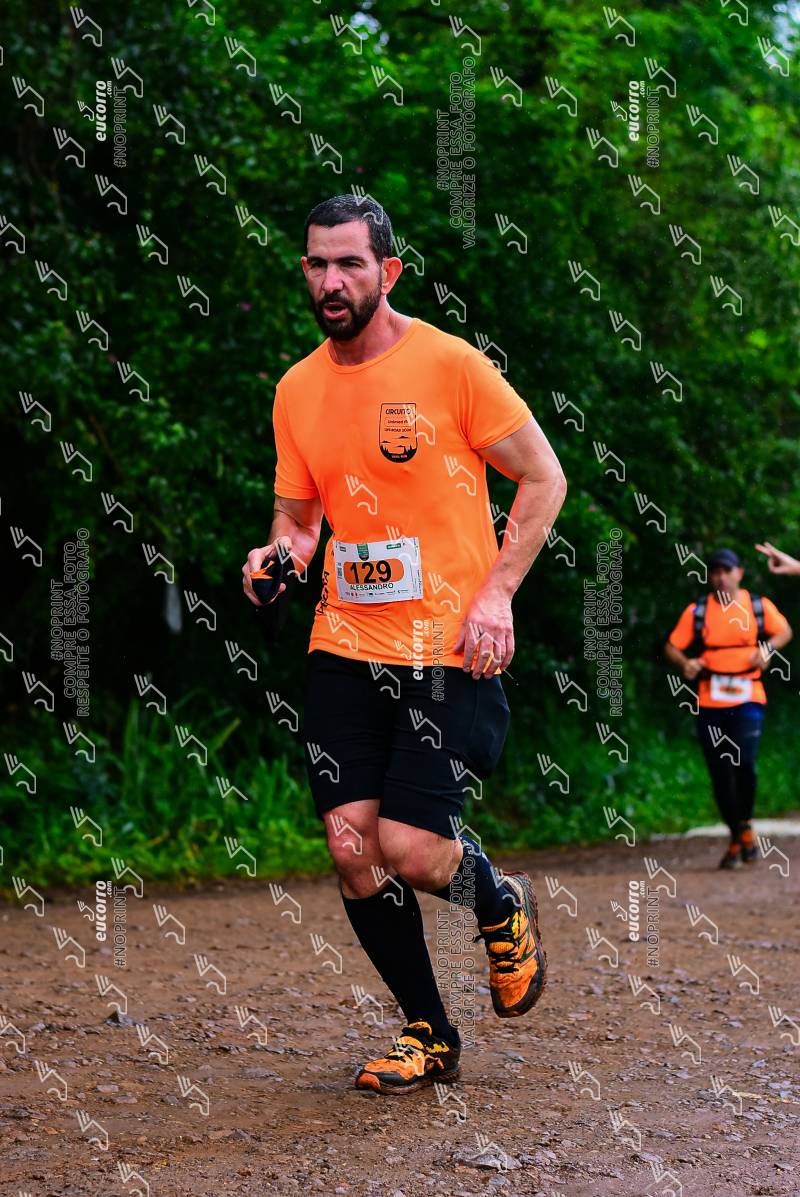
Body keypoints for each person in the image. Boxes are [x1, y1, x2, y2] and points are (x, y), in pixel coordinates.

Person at [242, 194, 567, 1094]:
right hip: (345, 641)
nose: (332, 280)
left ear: (387, 271)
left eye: (350, 263)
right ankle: (428, 1031)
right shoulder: (297, 389)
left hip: (447, 645)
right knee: (354, 847)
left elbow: (544, 476)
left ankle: (496, 901)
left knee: (415, 847)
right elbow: (299, 519)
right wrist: (277, 556)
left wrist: (497, 592)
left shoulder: (450, 365)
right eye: (318, 263)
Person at [664, 548, 792, 869]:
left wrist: (767, 649)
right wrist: (686, 663)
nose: (721, 577)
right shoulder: (698, 611)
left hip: (748, 697)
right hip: (710, 701)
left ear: (739, 573)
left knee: (744, 763)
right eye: (715, 572)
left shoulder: (758, 606)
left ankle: (742, 826)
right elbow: (672, 646)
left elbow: (784, 631)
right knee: (720, 771)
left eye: (727, 571)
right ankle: (739, 836)